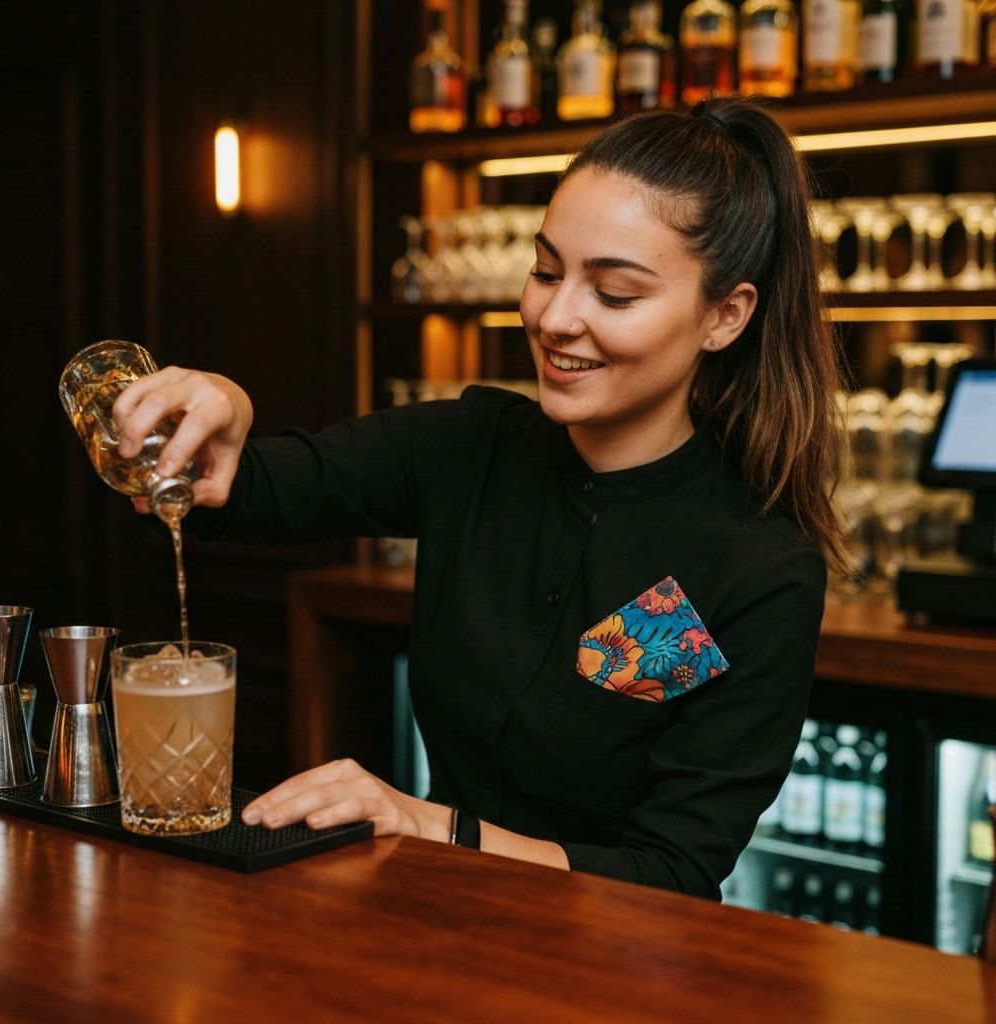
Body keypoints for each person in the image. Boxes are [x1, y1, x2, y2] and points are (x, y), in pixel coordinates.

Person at [113, 96, 850, 899]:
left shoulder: (758, 565)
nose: (555, 317)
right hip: (436, 924)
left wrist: (432, 826)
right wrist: (210, 415)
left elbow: (670, 875)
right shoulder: (469, 445)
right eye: (546, 271)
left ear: (725, 316)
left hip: (609, 960)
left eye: (614, 293)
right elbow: (244, 490)